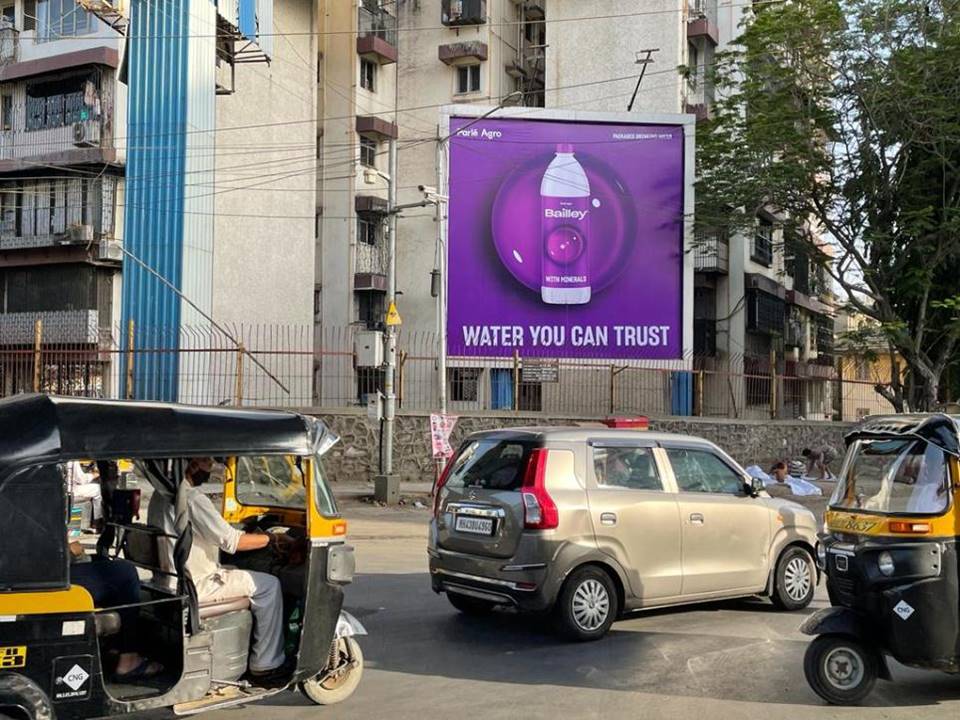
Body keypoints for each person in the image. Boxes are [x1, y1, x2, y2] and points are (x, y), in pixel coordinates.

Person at [147, 458, 290, 684]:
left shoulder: (160, 495)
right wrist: (273, 538)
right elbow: (232, 542)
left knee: (233, 570)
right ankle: (266, 664)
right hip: (195, 586)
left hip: (167, 582)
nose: (211, 468)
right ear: (192, 465)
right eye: (207, 462)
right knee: (269, 585)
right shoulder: (191, 498)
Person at [70, 542, 162, 680]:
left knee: (102, 561)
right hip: (44, 577)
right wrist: (70, 550)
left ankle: (114, 646)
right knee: (125, 573)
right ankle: (128, 658)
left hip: (41, 572)